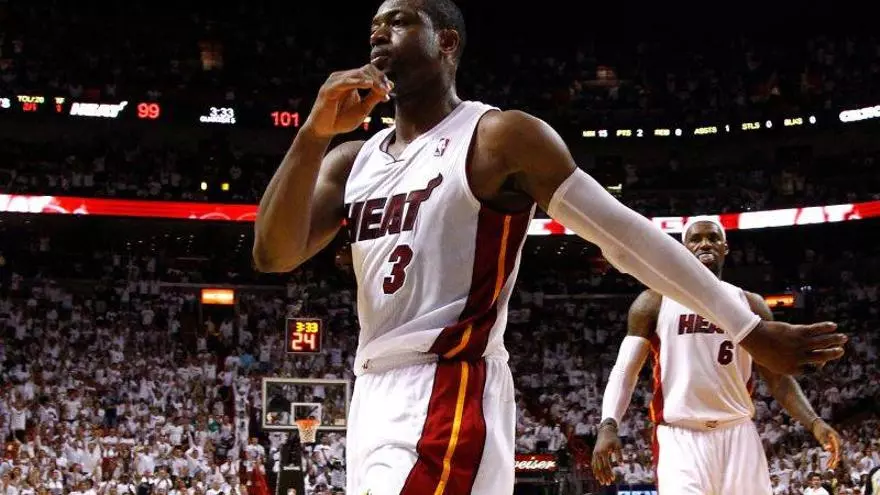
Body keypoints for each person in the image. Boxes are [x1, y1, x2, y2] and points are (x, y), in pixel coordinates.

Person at [252, 1, 847, 493]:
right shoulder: (350, 161)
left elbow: (625, 237)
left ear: (447, 43)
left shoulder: (499, 137)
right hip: (372, 389)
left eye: (401, 21)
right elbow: (273, 254)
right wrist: (312, 133)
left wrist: (746, 328)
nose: (379, 32)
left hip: (449, 386)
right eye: (375, 24)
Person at [591, 218, 842, 494]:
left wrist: (814, 422)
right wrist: (608, 423)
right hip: (680, 437)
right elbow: (625, 371)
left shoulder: (751, 303)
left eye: (713, 238)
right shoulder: (654, 301)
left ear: (725, 247)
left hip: (738, 433)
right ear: (683, 249)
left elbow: (778, 379)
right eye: (696, 239)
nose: (705, 244)